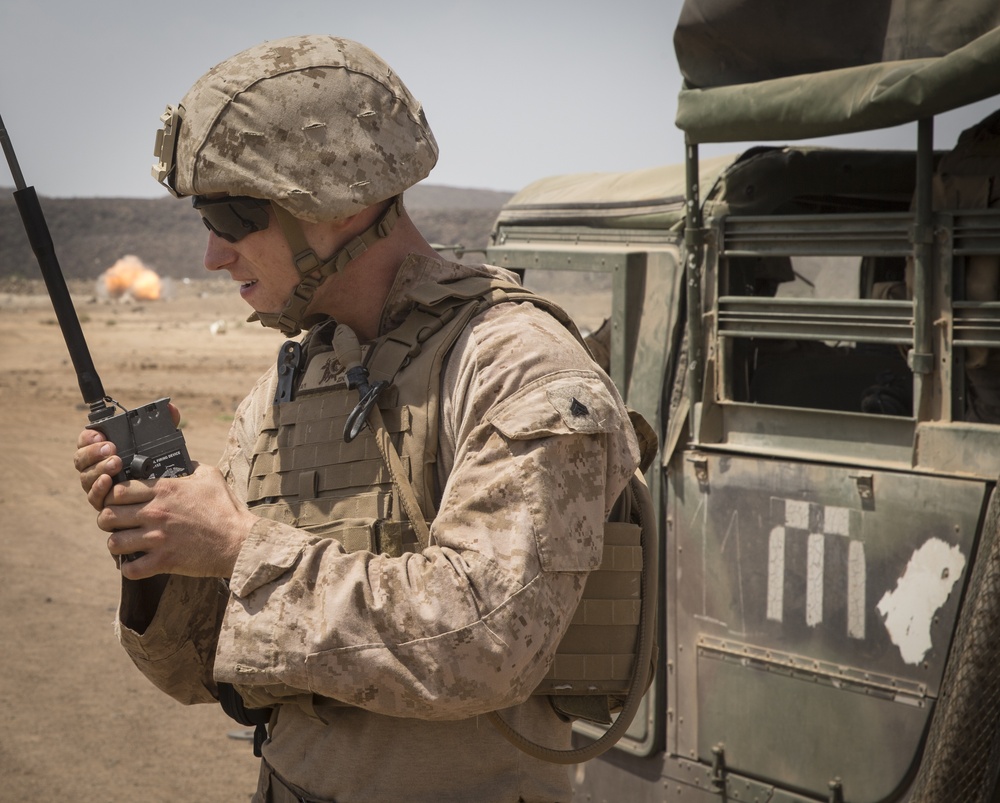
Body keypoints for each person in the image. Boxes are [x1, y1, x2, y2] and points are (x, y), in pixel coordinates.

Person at [73, 35, 641, 803]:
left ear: (340, 202)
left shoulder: (518, 365)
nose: (213, 254)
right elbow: (203, 666)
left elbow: (487, 643)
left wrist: (240, 549)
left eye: (234, 215)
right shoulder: (295, 378)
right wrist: (157, 549)